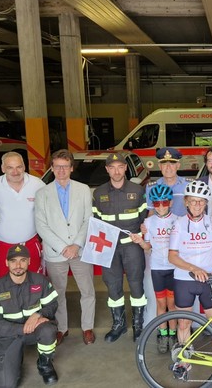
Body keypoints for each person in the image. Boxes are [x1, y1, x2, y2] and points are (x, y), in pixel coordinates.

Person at [34, 149, 96, 346]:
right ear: (52, 168)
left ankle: (87, 328)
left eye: (65, 166)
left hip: (80, 250)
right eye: (57, 166)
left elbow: (88, 219)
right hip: (55, 252)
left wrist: (76, 244)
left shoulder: (83, 189)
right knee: (58, 292)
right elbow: (41, 225)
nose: (61, 170)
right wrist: (63, 247)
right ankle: (61, 328)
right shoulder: (42, 193)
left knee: (87, 290)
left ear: (71, 168)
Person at [167, 181, 212, 375]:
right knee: (184, 321)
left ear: (206, 203)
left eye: (201, 202)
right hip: (184, 279)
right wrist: (194, 268)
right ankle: (183, 360)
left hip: (208, 280)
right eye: (193, 202)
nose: (197, 205)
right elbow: (172, 256)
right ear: (186, 203)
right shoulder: (179, 224)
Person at [92, 152, 149, 342]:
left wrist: (141, 238)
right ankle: (119, 325)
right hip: (108, 248)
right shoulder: (99, 193)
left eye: (120, 167)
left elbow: (144, 221)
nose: (116, 171)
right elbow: (96, 222)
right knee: (113, 286)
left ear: (125, 168)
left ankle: (138, 326)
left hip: (132, 247)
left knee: (136, 285)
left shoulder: (137, 190)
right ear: (107, 169)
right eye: (112, 167)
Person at [0, 245, 59, 387]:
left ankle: (45, 364)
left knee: (48, 330)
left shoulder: (41, 281)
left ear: (29, 261)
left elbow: (52, 305)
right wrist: (21, 329)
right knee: (5, 384)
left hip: (36, 330)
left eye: (22, 260)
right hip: (9, 335)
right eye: (13, 261)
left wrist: (38, 315)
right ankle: (14, 359)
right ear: (6, 262)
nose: (18, 265)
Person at [132, 184, 179, 353]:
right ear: (153, 204)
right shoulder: (148, 222)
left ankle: (173, 335)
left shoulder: (178, 220)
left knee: (172, 303)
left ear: (170, 203)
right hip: (158, 267)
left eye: (164, 202)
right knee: (161, 303)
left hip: (174, 268)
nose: (160, 206)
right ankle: (162, 333)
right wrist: (140, 241)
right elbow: (147, 247)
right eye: (157, 203)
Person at [0, 151, 45, 278]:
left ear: (24, 166)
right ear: (2, 169)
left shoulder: (38, 185)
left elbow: (48, 212)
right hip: (2, 245)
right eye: (10, 167)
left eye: (19, 167)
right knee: (2, 282)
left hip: (30, 243)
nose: (15, 172)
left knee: (34, 281)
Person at [145, 147, 190, 216]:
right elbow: (151, 212)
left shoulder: (188, 185)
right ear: (160, 166)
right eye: (164, 164)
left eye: (172, 164)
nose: (168, 167)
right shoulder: (151, 187)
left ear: (178, 166)